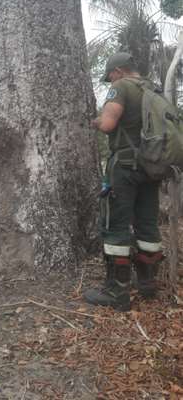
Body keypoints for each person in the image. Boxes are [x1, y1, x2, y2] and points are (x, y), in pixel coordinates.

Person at [84, 51, 164, 311]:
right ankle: (148, 283)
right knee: (147, 223)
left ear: (118, 71)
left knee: (115, 223)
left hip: (126, 166)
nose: (110, 80)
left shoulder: (120, 87)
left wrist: (94, 121)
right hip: (152, 166)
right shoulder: (153, 89)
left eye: (110, 76)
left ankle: (116, 292)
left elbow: (108, 124)